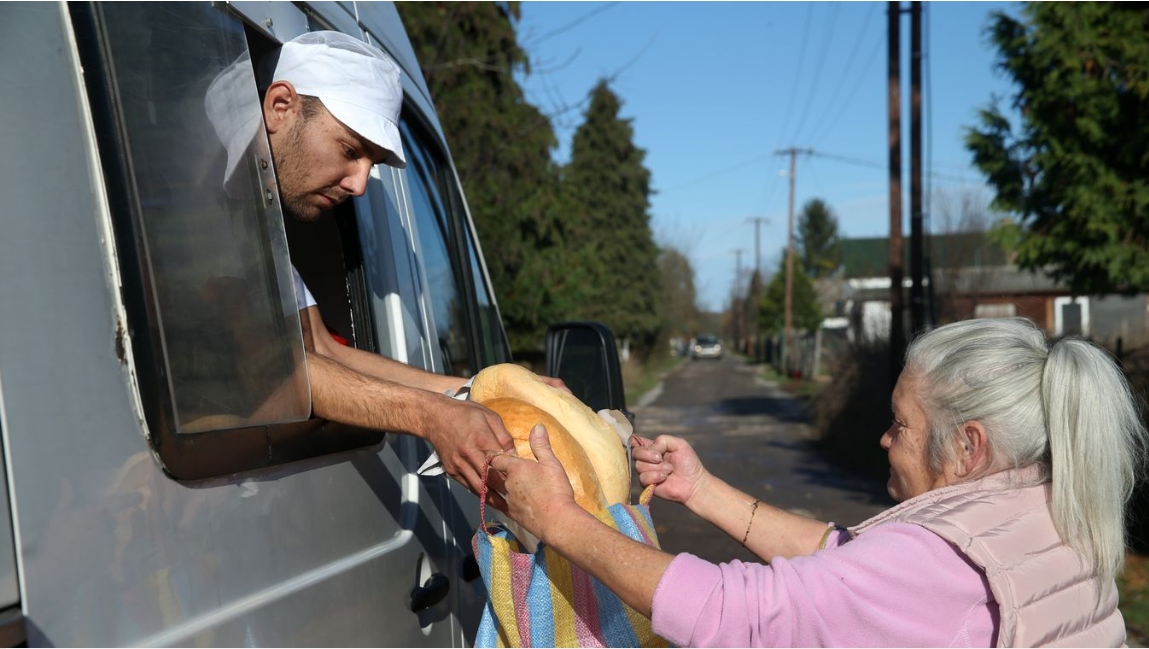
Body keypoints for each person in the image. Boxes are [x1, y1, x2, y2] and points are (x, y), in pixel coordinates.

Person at [491, 317, 1146, 647]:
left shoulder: (938, 560)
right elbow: (851, 564)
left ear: (968, 446)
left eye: (901, 425)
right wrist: (702, 490)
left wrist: (557, 519)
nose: (884, 439)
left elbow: (726, 610)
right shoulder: (1046, 507)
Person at [209, 30, 563, 494]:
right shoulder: (200, 211)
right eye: (350, 151)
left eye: (370, 162)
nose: (359, 184)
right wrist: (430, 414)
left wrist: (484, 390)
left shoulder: (261, 222)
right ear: (281, 106)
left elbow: (324, 352)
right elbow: (281, 369)